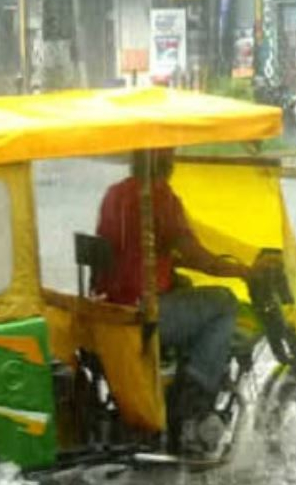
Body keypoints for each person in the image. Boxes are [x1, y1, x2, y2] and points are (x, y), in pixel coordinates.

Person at [94, 149, 250, 456]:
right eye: (171, 157)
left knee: (188, 290)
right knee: (224, 303)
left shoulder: (115, 194)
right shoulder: (161, 198)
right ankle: (193, 404)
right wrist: (244, 271)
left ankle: (175, 389)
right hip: (143, 314)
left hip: (111, 311)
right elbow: (196, 255)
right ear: (166, 163)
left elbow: (135, 250)